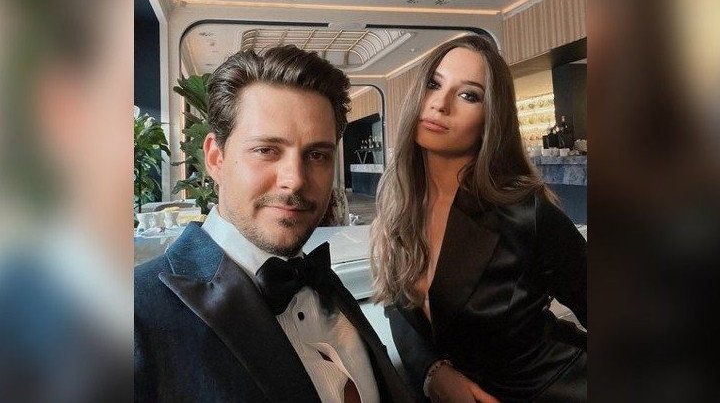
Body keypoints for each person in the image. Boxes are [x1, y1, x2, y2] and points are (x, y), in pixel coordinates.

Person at [134, 45, 414, 402]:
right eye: (266, 150)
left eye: (317, 155)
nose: (294, 180)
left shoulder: (325, 282)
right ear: (216, 158)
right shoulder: (132, 316)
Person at [369, 35, 587, 402]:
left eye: (469, 95)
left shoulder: (526, 215)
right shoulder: (400, 206)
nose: (440, 104)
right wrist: (433, 371)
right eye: (433, 84)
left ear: (491, 118)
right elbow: (398, 307)